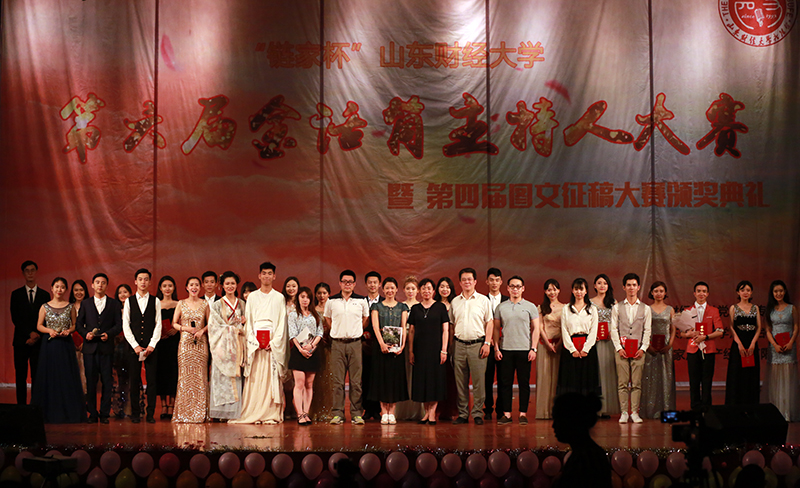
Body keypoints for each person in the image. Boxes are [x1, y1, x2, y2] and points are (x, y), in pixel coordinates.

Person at [231, 262, 288, 424]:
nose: (266, 276)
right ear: (259, 275)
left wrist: (274, 342)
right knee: (255, 378)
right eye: (264, 273)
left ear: (274, 276)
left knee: (270, 378)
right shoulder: (253, 297)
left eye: (270, 273)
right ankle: (253, 412)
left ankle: (270, 413)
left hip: (272, 344)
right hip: (255, 344)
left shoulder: (279, 297)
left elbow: (281, 324)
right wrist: (254, 340)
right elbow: (249, 321)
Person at [30, 277, 85, 423]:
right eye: (57, 286)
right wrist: (49, 331)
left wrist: (69, 331)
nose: (59, 290)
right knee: (49, 376)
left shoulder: (70, 307)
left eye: (62, 287)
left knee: (66, 376)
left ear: (66, 290)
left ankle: (68, 411)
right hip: (49, 345)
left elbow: (75, 325)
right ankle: (48, 411)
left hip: (65, 345)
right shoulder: (44, 306)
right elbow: (39, 325)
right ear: (52, 288)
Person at [324, 270, 370, 425]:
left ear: (354, 284)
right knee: (338, 382)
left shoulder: (361, 300)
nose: (347, 284)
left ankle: (356, 414)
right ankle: (337, 413)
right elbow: (327, 318)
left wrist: (355, 330)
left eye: (350, 282)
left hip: (355, 344)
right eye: (344, 281)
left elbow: (365, 318)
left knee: (356, 382)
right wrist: (337, 330)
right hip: (337, 344)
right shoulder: (331, 301)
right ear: (340, 283)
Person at [76, 273, 122, 424]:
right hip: (90, 349)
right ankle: (92, 413)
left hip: (106, 348)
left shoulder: (114, 304)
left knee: (107, 382)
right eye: (97, 282)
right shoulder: (86, 303)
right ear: (92, 285)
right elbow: (78, 324)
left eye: (103, 283)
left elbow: (118, 325)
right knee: (91, 382)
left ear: (107, 285)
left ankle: (104, 414)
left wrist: (109, 334)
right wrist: (86, 334)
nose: (100, 285)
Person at [493, 275, 540, 425]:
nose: (515, 289)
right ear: (507, 288)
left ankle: (523, 414)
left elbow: (536, 328)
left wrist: (533, 348)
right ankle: (506, 414)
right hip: (505, 349)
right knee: (505, 383)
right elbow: (496, 328)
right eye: (512, 286)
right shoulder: (501, 307)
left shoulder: (530, 307)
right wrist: (496, 348)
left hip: (524, 350)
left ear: (523, 288)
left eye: (518, 286)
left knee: (523, 383)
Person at [450, 267, 493, 425]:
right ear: (460, 282)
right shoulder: (455, 301)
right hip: (459, 345)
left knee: (478, 382)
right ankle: (463, 413)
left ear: (475, 281)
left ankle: (477, 413)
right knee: (460, 382)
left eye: (470, 279)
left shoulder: (483, 300)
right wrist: (451, 347)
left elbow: (490, 322)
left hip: (477, 345)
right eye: (464, 279)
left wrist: (487, 343)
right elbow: (452, 325)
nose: (467, 282)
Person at [610, 273, 652, 424]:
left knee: (636, 383)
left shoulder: (645, 308)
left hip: (638, 350)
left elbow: (647, 330)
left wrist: (643, 348)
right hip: (621, 350)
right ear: (624, 287)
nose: (631, 288)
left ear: (638, 287)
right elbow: (613, 329)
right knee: (622, 383)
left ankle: (634, 412)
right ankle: (623, 412)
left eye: (634, 285)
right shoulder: (617, 307)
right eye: (628, 285)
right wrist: (618, 348)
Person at [122, 268, 162, 423]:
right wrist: (135, 345)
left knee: (152, 381)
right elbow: (126, 325)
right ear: (135, 281)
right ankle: (135, 413)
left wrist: (152, 344)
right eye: (140, 279)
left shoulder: (155, 301)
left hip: (152, 347)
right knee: (134, 380)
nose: (143, 282)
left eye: (146, 279)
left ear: (150, 282)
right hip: (134, 348)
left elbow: (158, 324)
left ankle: (150, 413)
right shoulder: (129, 301)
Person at [368, 277, 409, 424]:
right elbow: (375, 326)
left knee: (394, 379)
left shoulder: (402, 307)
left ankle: (392, 412)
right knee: (381, 378)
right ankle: (384, 411)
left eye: (392, 288)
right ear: (383, 289)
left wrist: (402, 345)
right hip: (381, 348)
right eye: (387, 288)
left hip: (397, 349)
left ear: (396, 289)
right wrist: (382, 344)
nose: (390, 290)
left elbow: (404, 327)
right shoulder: (376, 306)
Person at [408, 278, 449, 424]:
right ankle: (426, 412)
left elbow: (445, 330)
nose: (426, 291)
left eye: (429, 288)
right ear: (420, 291)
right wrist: (411, 351)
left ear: (433, 291)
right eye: (423, 288)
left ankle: (432, 413)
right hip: (419, 350)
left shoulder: (440, 307)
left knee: (434, 381)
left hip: (436, 350)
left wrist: (444, 350)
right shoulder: (415, 309)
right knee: (422, 382)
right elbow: (411, 331)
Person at [10, 260, 51, 405]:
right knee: (20, 376)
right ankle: (21, 407)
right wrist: (29, 334)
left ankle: (35, 406)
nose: (30, 273)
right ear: (23, 273)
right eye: (27, 271)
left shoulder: (45, 295)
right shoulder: (16, 294)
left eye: (32, 270)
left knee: (37, 376)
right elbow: (15, 317)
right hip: (21, 341)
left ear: (36, 272)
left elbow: (46, 319)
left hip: (38, 342)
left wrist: (36, 335)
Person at [551, 392, 612, 488]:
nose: (553, 426)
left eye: (558, 420)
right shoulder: (590, 454)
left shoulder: (583, 460)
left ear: (571, 421)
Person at [172, 276, 210, 423]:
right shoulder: (181, 303)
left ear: (200, 288)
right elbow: (174, 323)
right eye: (191, 285)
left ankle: (201, 413)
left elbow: (210, 323)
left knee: (200, 377)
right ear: (187, 287)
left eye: (196, 285)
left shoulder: (205, 304)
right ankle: (184, 414)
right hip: (185, 345)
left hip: (200, 344)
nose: (194, 287)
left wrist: (202, 331)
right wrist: (185, 328)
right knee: (185, 377)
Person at [208, 271, 246, 420]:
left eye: (233, 283)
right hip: (222, 346)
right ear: (222, 286)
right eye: (227, 283)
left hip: (238, 345)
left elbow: (248, 323)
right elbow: (214, 327)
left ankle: (234, 412)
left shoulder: (242, 303)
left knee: (236, 377)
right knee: (221, 378)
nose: (230, 286)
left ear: (236, 285)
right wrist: (233, 330)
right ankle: (221, 412)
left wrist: (244, 323)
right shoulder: (217, 304)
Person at [681, 282, 724, 411]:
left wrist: (705, 337)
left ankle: (706, 408)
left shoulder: (714, 311)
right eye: (699, 291)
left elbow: (720, 331)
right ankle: (695, 408)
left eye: (704, 291)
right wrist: (689, 334)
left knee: (707, 380)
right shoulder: (687, 311)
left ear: (708, 294)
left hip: (708, 349)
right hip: (692, 349)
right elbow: (682, 333)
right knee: (694, 381)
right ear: (694, 293)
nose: (701, 293)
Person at [558, 278, 601, 397]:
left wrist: (586, 349)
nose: (579, 292)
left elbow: (593, 331)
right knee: (571, 381)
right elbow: (564, 330)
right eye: (576, 289)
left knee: (587, 380)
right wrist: (572, 350)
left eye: (581, 289)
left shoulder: (592, 309)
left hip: (588, 348)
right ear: (572, 291)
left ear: (586, 291)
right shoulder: (566, 309)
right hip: (570, 349)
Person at [763, 280, 799, 421]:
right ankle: (776, 412)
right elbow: (767, 330)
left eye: (781, 291)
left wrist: (791, 342)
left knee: (788, 378)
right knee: (775, 379)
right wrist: (774, 345)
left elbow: (796, 327)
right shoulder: (770, 309)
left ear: (785, 292)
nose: (778, 293)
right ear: (772, 293)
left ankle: (788, 412)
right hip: (775, 348)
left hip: (789, 347)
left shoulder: (792, 308)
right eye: (776, 291)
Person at [288, 286, 324, 425]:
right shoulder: (293, 315)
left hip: (312, 352)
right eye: (302, 297)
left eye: (307, 297)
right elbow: (292, 335)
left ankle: (306, 413)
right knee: (299, 383)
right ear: (298, 298)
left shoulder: (316, 315)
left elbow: (320, 333)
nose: (305, 300)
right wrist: (301, 349)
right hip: (298, 352)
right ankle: (300, 414)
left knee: (309, 384)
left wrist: (312, 346)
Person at [641, 281, 676, 419]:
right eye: (656, 291)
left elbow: (673, 329)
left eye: (661, 291)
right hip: (651, 348)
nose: (659, 294)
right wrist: (648, 346)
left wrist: (669, 345)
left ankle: (667, 410)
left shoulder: (670, 309)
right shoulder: (647, 309)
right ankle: (650, 411)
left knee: (666, 378)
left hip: (666, 349)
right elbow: (644, 329)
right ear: (651, 293)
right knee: (651, 378)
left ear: (665, 293)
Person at [725, 281, 762, 406]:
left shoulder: (755, 308)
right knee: (737, 374)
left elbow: (759, 327)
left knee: (751, 374)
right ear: (738, 292)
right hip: (738, 344)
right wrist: (739, 344)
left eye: (748, 290)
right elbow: (731, 327)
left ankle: (751, 406)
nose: (745, 292)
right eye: (742, 290)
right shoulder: (733, 308)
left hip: (752, 344)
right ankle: (735, 407)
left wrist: (753, 343)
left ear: (751, 292)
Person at [590, 274, 620, 418]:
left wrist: (612, 333)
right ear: (594, 286)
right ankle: (596, 408)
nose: (602, 286)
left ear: (608, 286)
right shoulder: (589, 302)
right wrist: (592, 335)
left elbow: (618, 321)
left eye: (605, 283)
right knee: (596, 372)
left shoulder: (613, 302)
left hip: (610, 340)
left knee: (609, 371)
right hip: (594, 341)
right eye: (599, 283)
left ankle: (607, 408)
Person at [396, 275, 424, 421]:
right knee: (404, 374)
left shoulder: (421, 306)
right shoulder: (400, 306)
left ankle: (418, 410)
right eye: (408, 288)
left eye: (413, 288)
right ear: (403, 290)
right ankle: (403, 410)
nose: (410, 291)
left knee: (417, 375)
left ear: (418, 290)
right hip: (402, 344)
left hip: (418, 343)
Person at [536, 279, 564, 419]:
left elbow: (565, 328)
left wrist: (558, 345)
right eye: (549, 289)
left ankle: (557, 411)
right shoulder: (541, 308)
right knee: (544, 377)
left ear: (559, 290)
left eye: (554, 289)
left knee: (558, 377)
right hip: (544, 346)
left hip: (560, 346)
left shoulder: (565, 308)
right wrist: (547, 344)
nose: (552, 292)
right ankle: (544, 412)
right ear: (545, 291)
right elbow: (540, 327)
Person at [484, 267, 508, 420]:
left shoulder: (508, 301)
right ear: (487, 281)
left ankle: (501, 409)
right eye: (491, 280)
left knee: (503, 378)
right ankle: (487, 409)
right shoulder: (481, 300)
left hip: (504, 345)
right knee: (486, 378)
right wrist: (488, 339)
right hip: (487, 344)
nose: (494, 283)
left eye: (497, 280)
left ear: (501, 282)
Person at [309, 282, 334, 421]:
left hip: (330, 348)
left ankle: (329, 411)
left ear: (329, 294)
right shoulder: (312, 310)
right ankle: (315, 411)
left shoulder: (332, 309)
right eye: (319, 293)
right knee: (315, 380)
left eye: (324, 293)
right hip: (315, 348)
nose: (322, 296)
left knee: (329, 379)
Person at [435, 276, 458, 420]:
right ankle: (437, 409)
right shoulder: (434, 304)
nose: (445, 289)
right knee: (438, 378)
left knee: (452, 379)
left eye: (447, 287)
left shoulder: (456, 303)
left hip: (454, 345)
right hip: (436, 345)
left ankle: (452, 410)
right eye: (442, 286)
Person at [156, 276, 179, 420]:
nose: (167, 288)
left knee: (173, 372)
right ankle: (163, 404)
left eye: (170, 285)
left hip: (175, 341)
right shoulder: (156, 303)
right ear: (160, 288)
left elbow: (183, 321)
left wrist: (176, 329)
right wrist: (159, 333)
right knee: (161, 372)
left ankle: (172, 405)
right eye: (164, 286)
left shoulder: (179, 304)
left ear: (174, 287)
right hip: (160, 342)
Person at [361, 271, 383, 421]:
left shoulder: (385, 302)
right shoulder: (360, 302)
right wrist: (363, 338)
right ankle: (367, 409)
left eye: (375, 282)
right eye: (370, 282)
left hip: (381, 345)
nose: (372, 285)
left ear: (379, 284)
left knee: (378, 377)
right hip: (363, 345)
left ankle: (377, 409)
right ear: (366, 284)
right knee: (365, 377)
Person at [112, 284, 132, 418]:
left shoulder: (134, 309)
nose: (123, 295)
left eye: (125, 292)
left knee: (131, 377)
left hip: (131, 346)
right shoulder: (115, 310)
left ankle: (130, 408)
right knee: (119, 378)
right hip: (117, 347)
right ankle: (118, 408)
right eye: (120, 293)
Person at [70, 279, 89, 395]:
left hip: (86, 344)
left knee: (85, 372)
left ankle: (85, 396)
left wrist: (85, 342)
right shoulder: (68, 307)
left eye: (81, 290)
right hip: (70, 345)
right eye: (76, 290)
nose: (78, 293)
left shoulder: (90, 306)